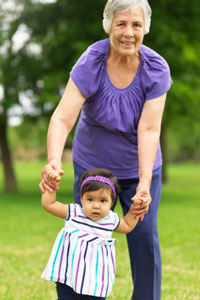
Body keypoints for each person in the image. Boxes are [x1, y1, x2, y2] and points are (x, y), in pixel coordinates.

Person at [39, 0, 173, 299]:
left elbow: (149, 130)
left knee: (144, 238)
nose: (129, 32)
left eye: (136, 25)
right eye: (121, 23)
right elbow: (62, 118)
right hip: (94, 170)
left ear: (145, 28)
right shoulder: (92, 61)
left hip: (140, 168)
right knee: (83, 237)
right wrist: (52, 161)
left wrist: (144, 185)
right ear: (109, 25)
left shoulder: (155, 68)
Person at [41, 168, 140, 300]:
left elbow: (127, 225)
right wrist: (51, 188)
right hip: (69, 276)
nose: (96, 206)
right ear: (82, 199)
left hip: (96, 281)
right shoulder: (75, 213)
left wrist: (135, 210)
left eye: (103, 201)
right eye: (90, 199)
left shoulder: (110, 220)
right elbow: (49, 204)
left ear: (112, 202)